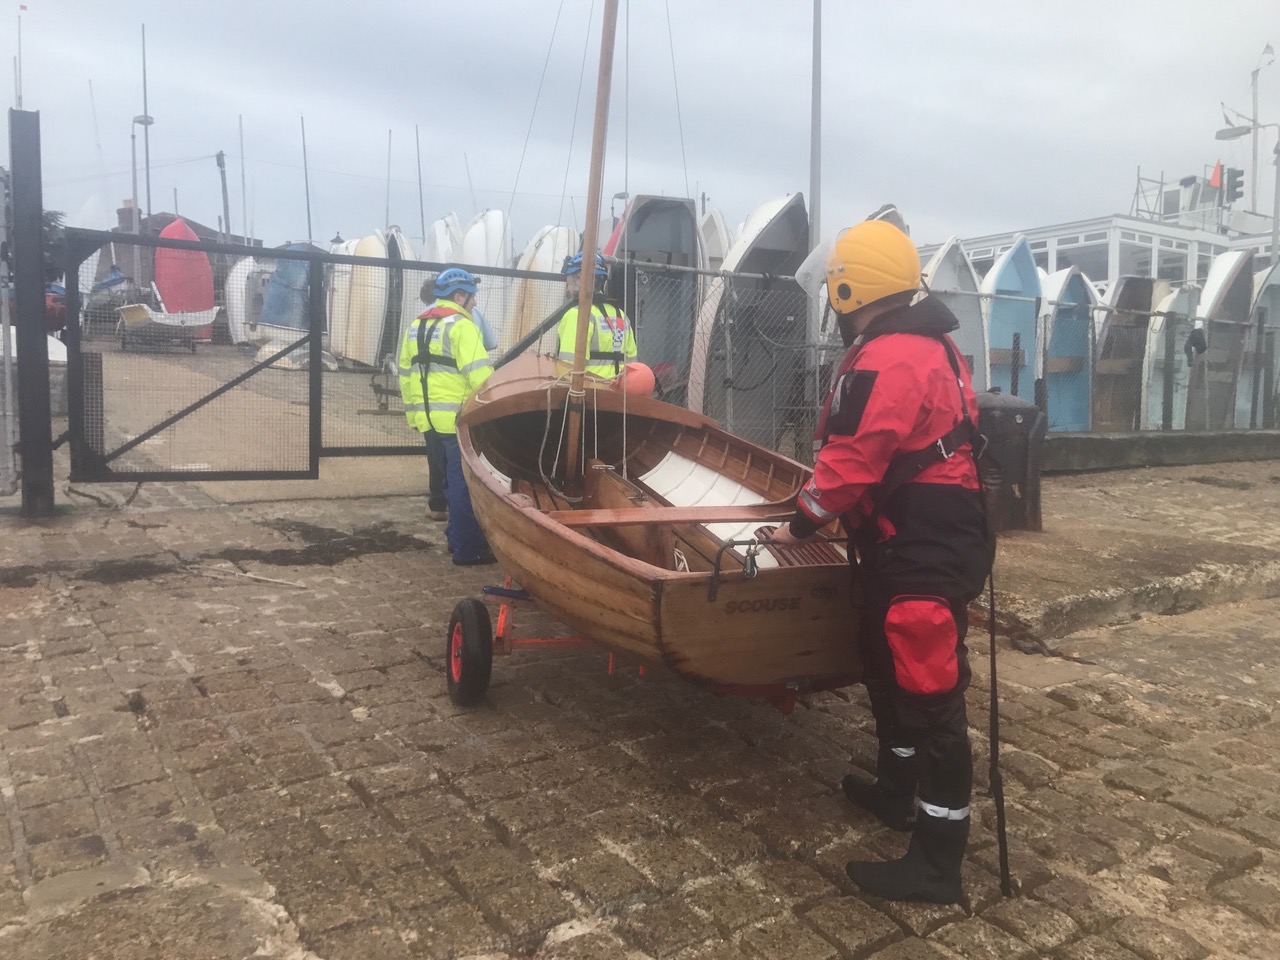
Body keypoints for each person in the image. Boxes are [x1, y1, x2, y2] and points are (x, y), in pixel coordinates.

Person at [769, 219, 993, 905]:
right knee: (882, 662)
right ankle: (896, 792)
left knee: (929, 697)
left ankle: (936, 861)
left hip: (920, 547)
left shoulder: (888, 356)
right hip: (916, 537)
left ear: (847, 288)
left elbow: (850, 463)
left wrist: (801, 520)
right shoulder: (929, 346)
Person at [398, 267, 497, 565]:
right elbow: (481, 377)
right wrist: (493, 413)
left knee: (448, 483)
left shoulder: (416, 326)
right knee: (464, 485)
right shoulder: (462, 327)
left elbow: (405, 376)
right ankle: (469, 550)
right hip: (457, 421)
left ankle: (456, 538)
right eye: (473, 298)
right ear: (459, 296)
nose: (476, 304)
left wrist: (416, 418)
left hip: (429, 421)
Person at [557, 251, 636, 380]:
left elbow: (568, 370)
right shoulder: (620, 316)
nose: (567, 289)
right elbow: (633, 364)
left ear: (579, 278)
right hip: (618, 393)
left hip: (589, 393)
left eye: (568, 282)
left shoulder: (577, 315)